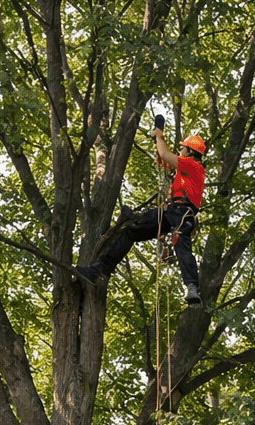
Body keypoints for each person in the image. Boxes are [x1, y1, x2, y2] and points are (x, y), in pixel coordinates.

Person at [76, 119, 206, 304]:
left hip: (182, 212)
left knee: (180, 242)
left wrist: (159, 135)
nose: (180, 151)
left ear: (191, 152)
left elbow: (165, 154)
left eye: (183, 149)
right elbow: (164, 158)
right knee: (131, 231)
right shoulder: (185, 170)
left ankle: (192, 286)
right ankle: (98, 270)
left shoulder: (193, 166)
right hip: (171, 211)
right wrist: (159, 144)